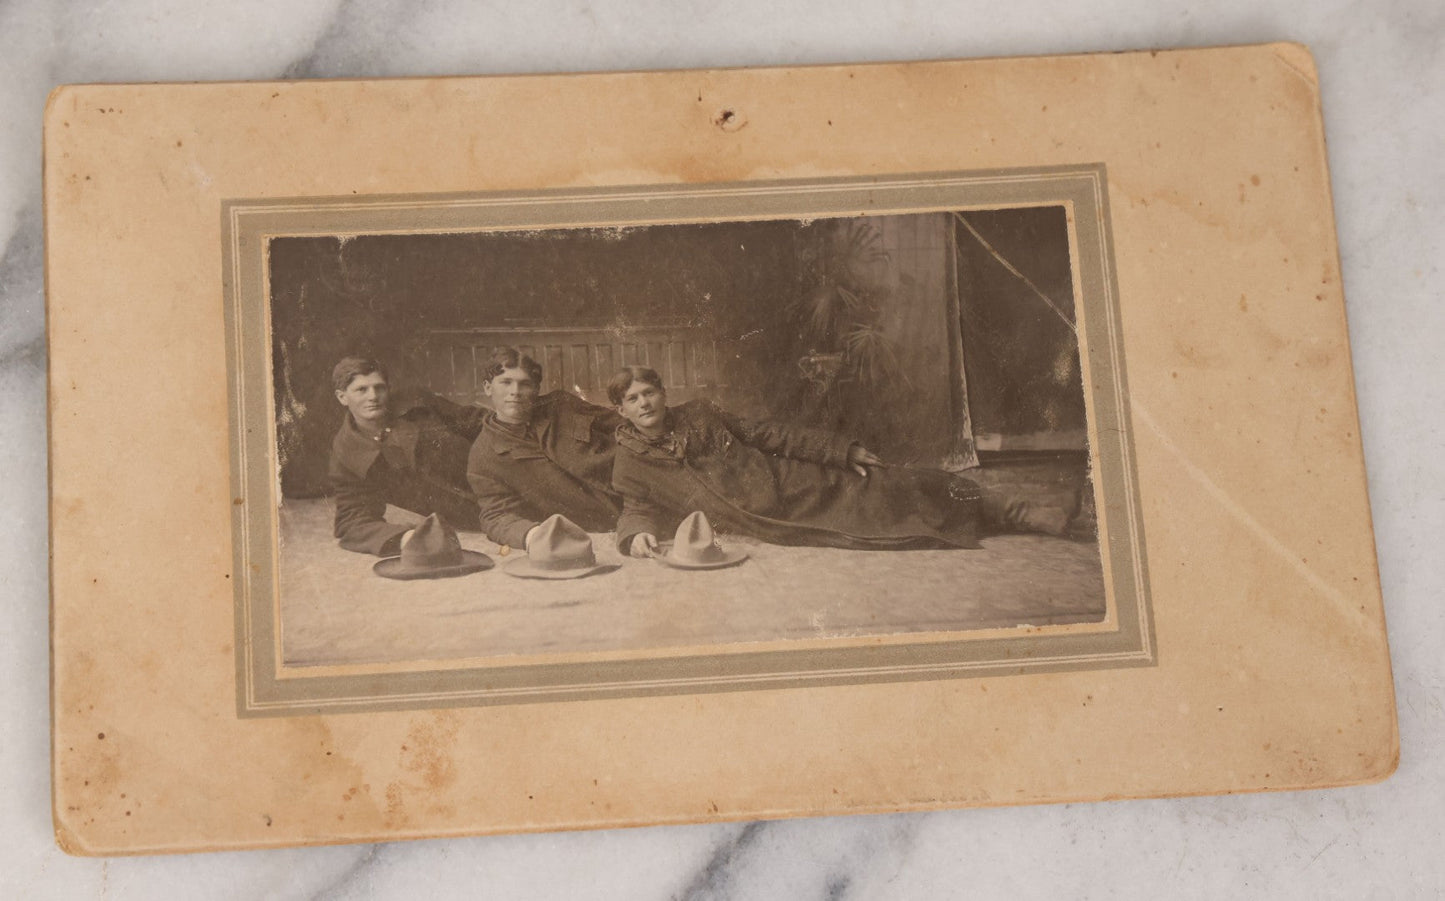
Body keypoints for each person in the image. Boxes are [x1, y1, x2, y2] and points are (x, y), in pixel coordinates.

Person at [607, 366, 986, 557]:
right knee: (880, 526)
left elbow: (767, 434)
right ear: (621, 411)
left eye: (649, 393)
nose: (645, 404)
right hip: (770, 521)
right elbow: (636, 507)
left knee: (882, 483)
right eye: (633, 400)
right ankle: (984, 513)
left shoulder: (700, 413)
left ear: (664, 393)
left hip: (789, 483)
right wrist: (635, 534)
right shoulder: (630, 463)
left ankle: (997, 507)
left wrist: (838, 451)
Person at [465, 348, 625, 551]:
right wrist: (532, 535)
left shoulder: (561, 405)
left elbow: (620, 424)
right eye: (506, 382)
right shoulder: (483, 455)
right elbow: (495, 516)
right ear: (488, 388)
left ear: (536, 389)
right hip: (599, 529)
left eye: (525, 384)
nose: (515, 391)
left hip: (641, 495)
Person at [328, 357, 488, 556]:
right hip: (475, 518)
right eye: (361, 390)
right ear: (342, 397)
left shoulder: (417, 404)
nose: (373, 396)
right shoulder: (346, 454)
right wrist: (406, 538)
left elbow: (474, 421)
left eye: (379, 388)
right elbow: (352, 522)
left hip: (507, 480)